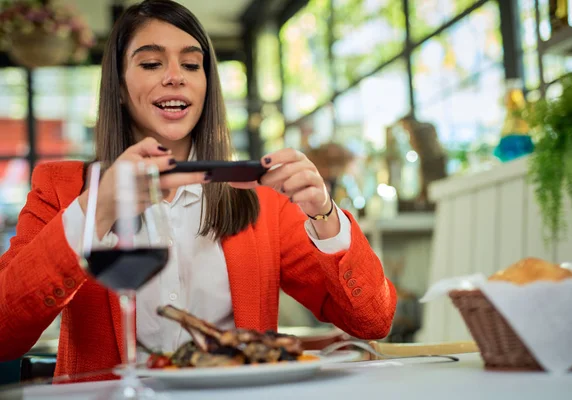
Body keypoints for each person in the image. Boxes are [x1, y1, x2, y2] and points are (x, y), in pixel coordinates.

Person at [0, 0, 397, 380]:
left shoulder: (264, 200)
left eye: (191, 64)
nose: (176, 76)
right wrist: (96, 208)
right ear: (118, 87)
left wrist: (324, 213)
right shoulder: (60, 186)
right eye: (152, 63)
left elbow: (372, 320)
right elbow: (5, 333)